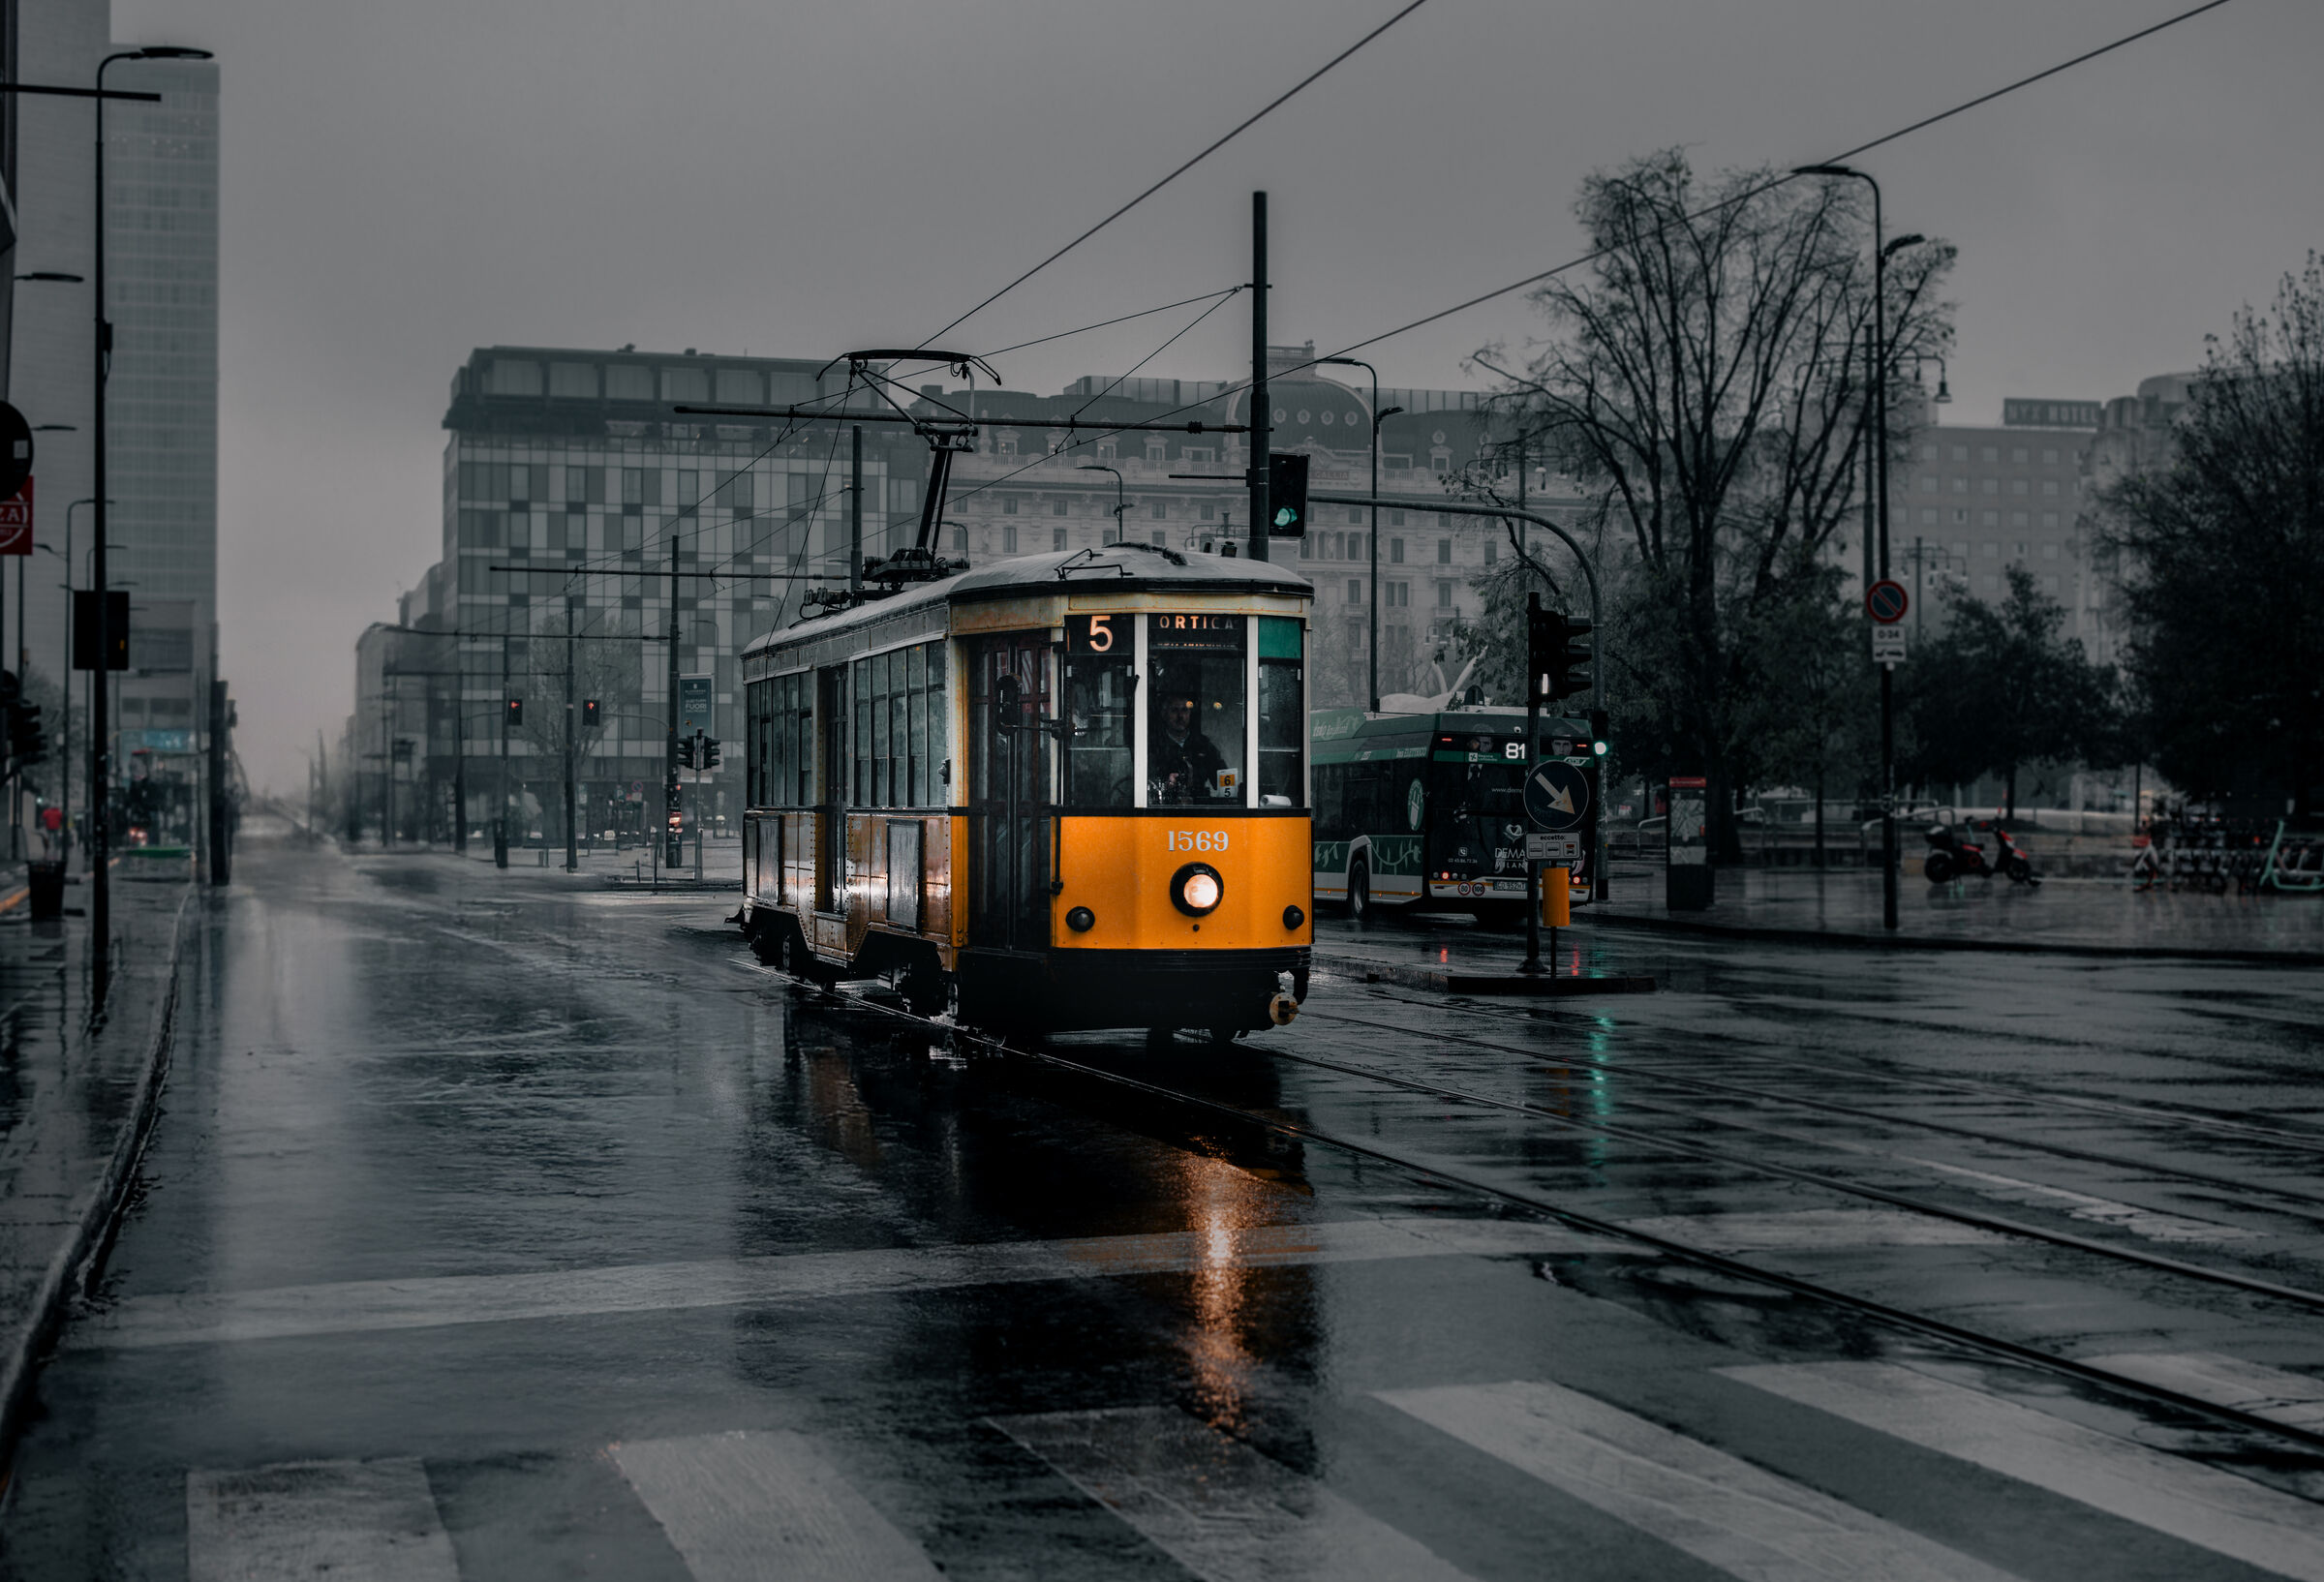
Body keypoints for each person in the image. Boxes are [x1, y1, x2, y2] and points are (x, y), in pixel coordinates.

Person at [1150, 691, 1226, 804]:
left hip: (1199, 810)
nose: (1180, 716)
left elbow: (1222, 778)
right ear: (1164, 714)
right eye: (1174, 710)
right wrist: (1164, 784)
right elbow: (1145, 782)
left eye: (1185, 710)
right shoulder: (1155, 745)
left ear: (1190, 714)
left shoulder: (1203, 744)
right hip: (1165, 810)